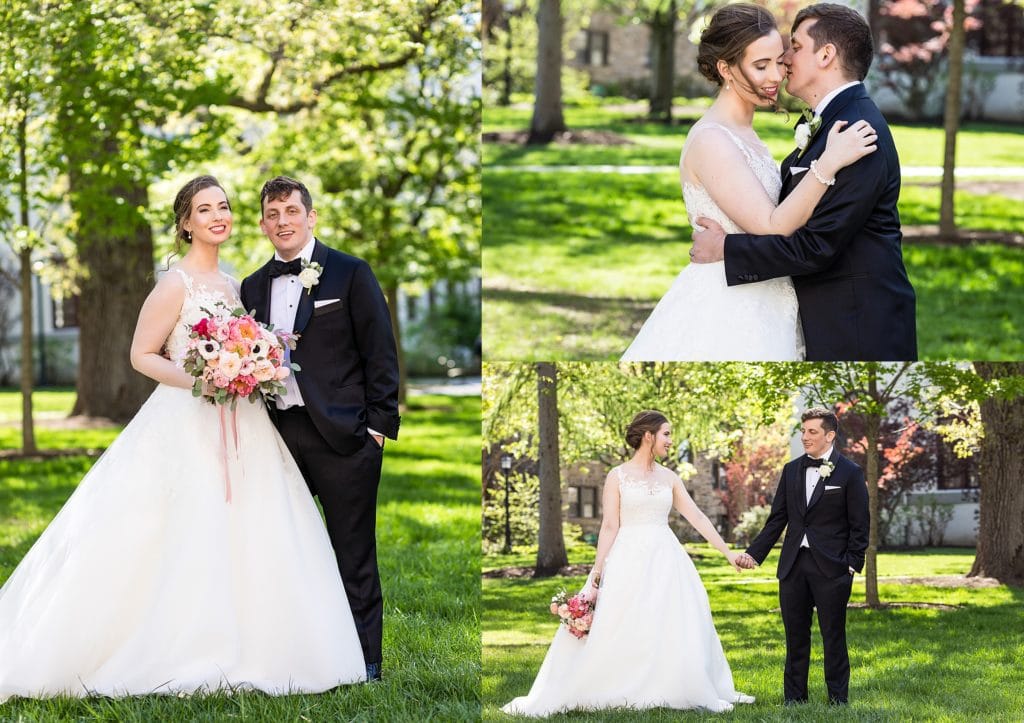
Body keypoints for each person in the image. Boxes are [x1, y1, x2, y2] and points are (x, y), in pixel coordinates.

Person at [0, 176, 366, 704]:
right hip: (185, 419)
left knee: (253, 526)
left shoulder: (238, 285)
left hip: (243, 422)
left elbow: (251, 347)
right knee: (178, 525)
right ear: (186, 222)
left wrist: (249, 366)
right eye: (204, 208)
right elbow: (141, 356)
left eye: (224, 207)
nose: (218, 215)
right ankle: (175, 644)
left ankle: (263, 644)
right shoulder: (174, 284)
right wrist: (204, 378)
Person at [622, 3, 878, 362]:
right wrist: (829, 162)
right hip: (732, 303)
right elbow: (773, 226)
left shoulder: (745, 133)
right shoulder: (712, 139)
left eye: (779, 60)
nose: (776, 75)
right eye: (760, 66)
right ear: (725, 68)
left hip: (769, 294)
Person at [690, 3, 917, 361]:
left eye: (794, 47)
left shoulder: (858, 133)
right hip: (816, 319)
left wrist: (726, 249)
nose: (784, 62)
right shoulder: (832, 125)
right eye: (764, 63)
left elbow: (817, 246)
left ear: (826, 55)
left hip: (858, 328)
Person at [240, 176, 400, 682]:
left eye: (291, 211)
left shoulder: (352, 273)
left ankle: (365, 661)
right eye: (272, 214)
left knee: (353, 553)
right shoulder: (251, 286)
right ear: (263, 223)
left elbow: (381, 353)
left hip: (344, 437)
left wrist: (377, 429)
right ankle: (295, 654)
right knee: (282, 549)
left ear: (311, 216)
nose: (282, 221)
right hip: (277, 433)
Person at [502, 411, 756, 716]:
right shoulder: (617, 476)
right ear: (648, 436)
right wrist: (596, 574)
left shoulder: (670, 477)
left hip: (666, 557)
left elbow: (698, 517)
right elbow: (609, 525)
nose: (670, 441)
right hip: (627, 556)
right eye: (666, 434)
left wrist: (728, 554)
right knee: (623, 619)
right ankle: (617, 683)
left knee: (672, 618)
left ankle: (672, 684)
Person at [734, 407, 869, 705]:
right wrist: (754, 555)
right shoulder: (791, 470)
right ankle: (794, 699)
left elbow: (860, 525)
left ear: (829, 435)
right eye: (803, 431)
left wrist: (851, 564)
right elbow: (777, 519)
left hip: (833, 567)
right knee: (795, 637)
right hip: (793, 565)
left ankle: (837, 699)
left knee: (834, 636)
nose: (805, 437)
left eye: (812, 432)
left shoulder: (850, 472)